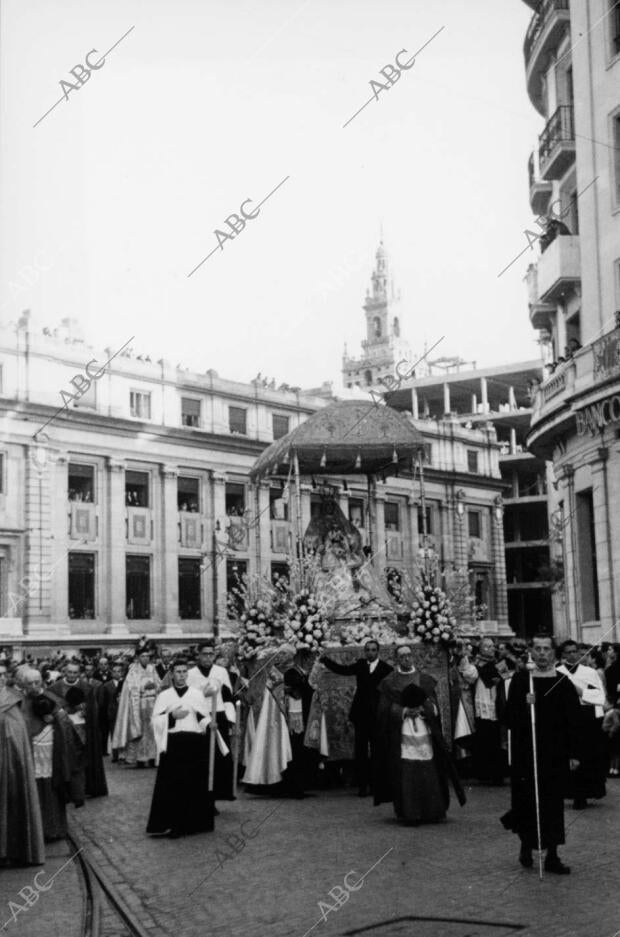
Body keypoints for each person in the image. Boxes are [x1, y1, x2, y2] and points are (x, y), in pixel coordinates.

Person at [501, 635, 581, 874]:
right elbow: (509, 718)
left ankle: (552, 854)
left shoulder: (562, 682)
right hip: (528, 752)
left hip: (554, 753)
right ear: (531, 653)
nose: (543, 653)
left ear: (553, 654)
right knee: (527, 800)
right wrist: (525, 705)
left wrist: (574, 753)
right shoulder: (521, 680)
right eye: (538, 649)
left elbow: (573, 720)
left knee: (552, 803)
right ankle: (526, 845)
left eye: (547, 649)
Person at [146, 659, 215, 838]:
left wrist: (209, 724)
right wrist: (171, 716)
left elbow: (202, 716)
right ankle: (172, 823)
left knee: (193, 782)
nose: (182, 675)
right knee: (174, 784)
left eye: (185, 671)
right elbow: (154, 721)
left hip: (193, 742)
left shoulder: (196, 694)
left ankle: (195, 823)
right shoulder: (165, 696)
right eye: (178, 672)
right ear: (172, 674)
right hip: (174, 742)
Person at [383, 681, 465, 824]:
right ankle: (411, 814)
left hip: (425, 746)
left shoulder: (425, 700)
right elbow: (391, 711)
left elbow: (433, 709)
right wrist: (405, 712)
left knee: (428, 777)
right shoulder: (397, 701)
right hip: (407, 745)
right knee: (409, 779)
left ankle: (431, 812)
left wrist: (422, 711)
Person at [319, 640, 392, 796]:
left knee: (378, 751)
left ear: (378, 652)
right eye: (367, 650)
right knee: (360, 751)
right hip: (361, 715)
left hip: (378, 715)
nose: (370, 653)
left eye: (373, 650)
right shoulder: (360, 665)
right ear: (364, 652)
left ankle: (376, 785)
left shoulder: (387, 669)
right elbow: (343, 670)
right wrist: (325, 660)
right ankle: (363, 785)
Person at [21, 669, 84, 842]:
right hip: (32, 752)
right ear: (24, 685)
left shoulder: (53, 699)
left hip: (52, 752)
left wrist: (55, 719)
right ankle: (37, 831)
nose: (34, 686)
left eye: (36, 682)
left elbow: (65, 723)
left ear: (42, 681)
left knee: (53, 790)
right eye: (29, 683)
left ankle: (55, 829)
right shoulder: (22, 702)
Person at [373, 645, 439, 804]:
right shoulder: (389, 682)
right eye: (402, 656)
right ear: (397, 659)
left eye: (409, 655)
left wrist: (423, 709)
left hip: (422, 727)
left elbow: (434, 706)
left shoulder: (424, 679)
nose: (407, 658)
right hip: (402, 731)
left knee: (427, 765)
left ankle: (430, 808)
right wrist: (403, 712)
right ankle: (408, 809)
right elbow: (383, 710)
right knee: (405, 768)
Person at [0, 661, 45, 866]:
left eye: (2, 675)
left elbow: (22, 730)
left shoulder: (14, 701)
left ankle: (13, 852)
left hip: (12, 763)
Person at [556, 640, 607, 809]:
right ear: (563, 655)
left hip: (586, 717)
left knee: (585, 757)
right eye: (568, 652)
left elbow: (599, 696)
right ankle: (569, 792)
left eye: (575, 651)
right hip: (565, 717)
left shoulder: (589, 672)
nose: (572, 655)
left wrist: (579, 691)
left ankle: (582, 795)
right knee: (568, 756)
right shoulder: (557, 672)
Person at [49, 661, 107, 796]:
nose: (72, 675)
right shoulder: (54, 688)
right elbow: (51, 708)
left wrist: (86, 711)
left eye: (75, 672)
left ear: (79, 673)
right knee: (65, 758)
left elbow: (93, 709)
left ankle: (83, 789)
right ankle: (66, 790)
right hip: (63, 730)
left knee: (82, 759)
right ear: (64, 672)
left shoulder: (87, 687)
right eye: (69, 672)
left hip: (83, 729)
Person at [186, 642, 235, 801]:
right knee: (201, 757)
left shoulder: (221, 672)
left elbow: (228, 697)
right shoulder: (191, 674)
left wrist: (230, 719)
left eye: (211, 654)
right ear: (198, 655)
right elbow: (188, 698)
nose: (208, 658)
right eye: (204, 654)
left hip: (218, 715)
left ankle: (216, 795)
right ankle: (201, 796)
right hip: (199, 718)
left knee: (219, 757)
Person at [460, 637, 506, 785]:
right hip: (483, 703)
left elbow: (506, 678)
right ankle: (485, 773)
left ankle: (498, 774)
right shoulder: (476, 664)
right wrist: (464, 657)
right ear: (480, 649)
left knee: (497, 739)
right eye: (486, 646)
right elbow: (470, 676)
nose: (491, 649)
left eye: (492, 646)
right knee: (484, 739)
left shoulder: (500, 662)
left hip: (497, 703)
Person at [112, 646, 161, 768]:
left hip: (152, 705)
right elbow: (129, 688)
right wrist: (143, 687)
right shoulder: (133, 671)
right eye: (143, 656)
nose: (145, 659)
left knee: (152, 732)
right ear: (138, 658)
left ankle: (152, 757)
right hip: (139, 706)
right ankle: (139, 759)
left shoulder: (152, 669)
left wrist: (155, 685)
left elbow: (159, 684)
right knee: (140, 732)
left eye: (147, 656)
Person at [101, 662, 125, 761]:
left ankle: (124, 754)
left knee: (123, 732)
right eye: (114, 672)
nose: (117, 673)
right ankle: (115, 755)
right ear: (111, 673)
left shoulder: (126, 684)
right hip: (112, 713)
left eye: (119, 671)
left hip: (123, 712)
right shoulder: (106, 686)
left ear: (122, 673)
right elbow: (104, 702)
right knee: (114, 733)